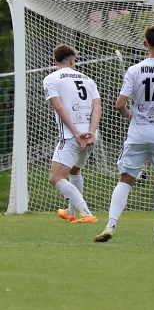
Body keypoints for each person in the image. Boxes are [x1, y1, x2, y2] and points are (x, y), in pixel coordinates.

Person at [94, 26, 154, 243]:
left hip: (137, 134)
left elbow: (119, 104)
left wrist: (130, 116)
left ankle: (111, 225)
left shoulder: (134, 70)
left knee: (125, 181)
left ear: (144, 44)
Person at [43, 44, 101, 223]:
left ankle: (87, 214)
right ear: (71, 60)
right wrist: (90, 132)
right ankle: (71, 213)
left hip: (71, 136)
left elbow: (59, 107)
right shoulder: (88, 79)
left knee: (55, 177)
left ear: (55, 61)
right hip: (91, 136)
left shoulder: (51, 79)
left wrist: (76, 133)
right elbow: (98, 106)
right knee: (75, 170)